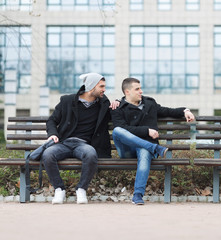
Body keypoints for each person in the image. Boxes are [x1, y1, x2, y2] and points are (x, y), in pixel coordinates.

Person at [111, 77, 195, 205]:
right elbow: (124, 129)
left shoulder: (150, 103)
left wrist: (185, 111)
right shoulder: (118, 108)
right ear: (127, 92)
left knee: (145, 152)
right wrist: (146, 131)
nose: (141, 91)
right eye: (137, 89)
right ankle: (154, 148)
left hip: (144, 148)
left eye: (140, 88)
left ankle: (138, 195)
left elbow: (168, 111)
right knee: (117, 130)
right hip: (127, 149)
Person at [42, 73, 114, 204]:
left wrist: (118, 103)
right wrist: (53, 134)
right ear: (91, 87)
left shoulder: (103, 104)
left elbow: (117, 114)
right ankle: (59, 189)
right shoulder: (67, 101)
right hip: (64, 143)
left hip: (84, 145)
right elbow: (52, 120)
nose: (104, 89)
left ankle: (81, 189)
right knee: (47, 154)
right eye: (101, 86)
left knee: (91, 154)